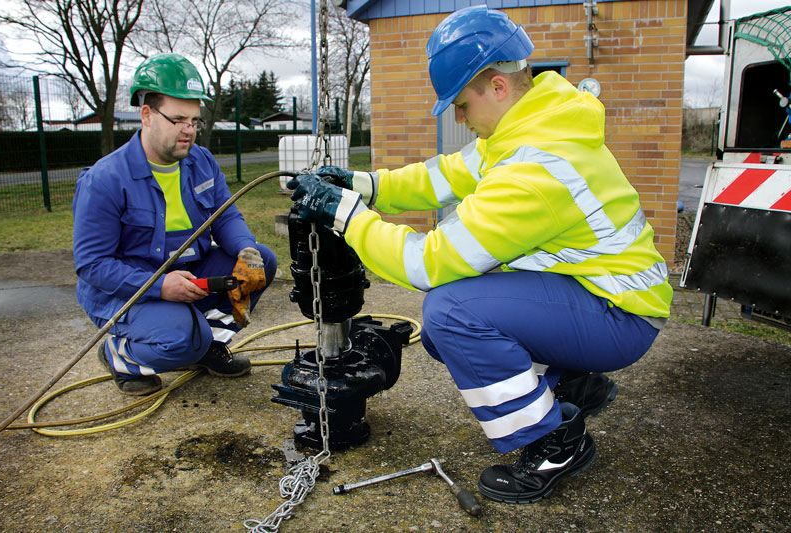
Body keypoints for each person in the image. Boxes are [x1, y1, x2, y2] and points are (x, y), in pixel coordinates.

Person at [286, 5, 672, 504]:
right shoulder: (531, 124)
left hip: (619, 318)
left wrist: (347, 216)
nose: (458, 117)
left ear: (497, 86)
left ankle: (553, 442)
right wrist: (366, 185)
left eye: (461, 104)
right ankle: (576, 384)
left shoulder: (535, 169)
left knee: (451, 315)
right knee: (449, 333)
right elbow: (442, 176)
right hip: (603, 295)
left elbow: (425, 264)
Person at [73, 53, 276, 396]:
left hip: (189, 270)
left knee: (262, 260)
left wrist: (245, 249)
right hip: (131, 289)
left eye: (195, 120)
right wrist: (160, 287)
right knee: (182, 336)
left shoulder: (200, 161)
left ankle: (206, 349)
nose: (189, 130)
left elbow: (225, 215)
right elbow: (93, 266)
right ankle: (119, 354)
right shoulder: (105, 180)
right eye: (179, 119)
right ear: (147, 115)